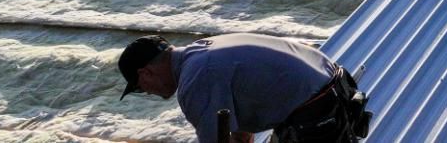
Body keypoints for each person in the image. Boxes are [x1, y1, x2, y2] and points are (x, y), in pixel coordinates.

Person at [117, 33, 370, 143]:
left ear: (145, 73)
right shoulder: (202, 50)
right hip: (336, 88)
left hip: (316, 111)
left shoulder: (194, 80)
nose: (148, 93)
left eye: (141, 88)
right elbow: (237, 135)